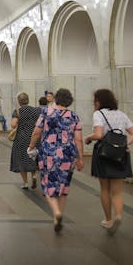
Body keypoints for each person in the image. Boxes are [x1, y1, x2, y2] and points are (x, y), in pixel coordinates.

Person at [28, 88, 84, 233]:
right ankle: (59, 215)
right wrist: (80, 158)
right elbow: (78, 139)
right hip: (68, 154)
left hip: (49, 153)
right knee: (63, 187)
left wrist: (31, 146)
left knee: (47, 184)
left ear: (56, 98)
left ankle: (56, 212)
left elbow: (37, 131)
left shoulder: (46, 113)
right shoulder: (74, 116)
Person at [84, 89, 133, 234]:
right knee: (117, 191)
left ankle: (109, 220)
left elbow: (98, 134)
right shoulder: (121, 114)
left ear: (99, 101)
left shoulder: (98, 114)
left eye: (95, 100)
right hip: (120, 154)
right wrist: (125, 144)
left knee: (105, 189)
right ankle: (119, 216)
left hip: (103, 153)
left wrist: (88, 138)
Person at [10, 92, 40, 189]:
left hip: (21, 139)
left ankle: (25, 183)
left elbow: (13, 125)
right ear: (28, 100)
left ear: (19, 101)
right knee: (32, 158)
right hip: (34, 138)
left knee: (21, 160)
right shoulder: (36, 110)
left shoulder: (17, 111)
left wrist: (18, 121)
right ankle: (34, 175)